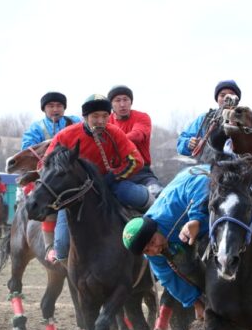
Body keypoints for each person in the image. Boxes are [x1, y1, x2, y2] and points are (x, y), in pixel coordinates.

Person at [122, 162, 252, 330]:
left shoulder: (168, 210)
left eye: (153, 241)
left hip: (228, 184)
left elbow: (198, 183)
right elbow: (168, 278)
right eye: (148, 250)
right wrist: (196, 303)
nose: (155, 248)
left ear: (155, 228)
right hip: (214, 222)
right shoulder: (155, 252)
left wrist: (195, 219)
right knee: (181, 265)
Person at [41, 94, 150, 264]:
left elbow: (136, 161)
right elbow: (46, 163)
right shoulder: (66, 135)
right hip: (75, 192)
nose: (100, 121)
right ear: (85, 117)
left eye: (105, 116)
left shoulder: (115, 132)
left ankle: (161, 226)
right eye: (95, 116)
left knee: (142, 197)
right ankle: (59, 257)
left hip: (110, 183)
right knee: (62, 246)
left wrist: (113, 178)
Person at [108, 85, 163, 198]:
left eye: (125, 99)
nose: (122, 104)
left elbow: (137, 135)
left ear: (131, 102)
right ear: (111, 104)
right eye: (117, 100)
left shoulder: (142, 117)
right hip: (113, 172)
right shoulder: (106, 121)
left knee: (157, 195)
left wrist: (113, 143)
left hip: (141, 171)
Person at [177, 80, 241, 160]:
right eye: (222, 95)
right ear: (217, 99)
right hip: (208, 167)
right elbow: (181, 141)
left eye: (231, 95)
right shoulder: (205, 119)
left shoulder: (245, 119)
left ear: (237, 99)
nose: (226, 99)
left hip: (239, 167)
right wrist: (188, 143)